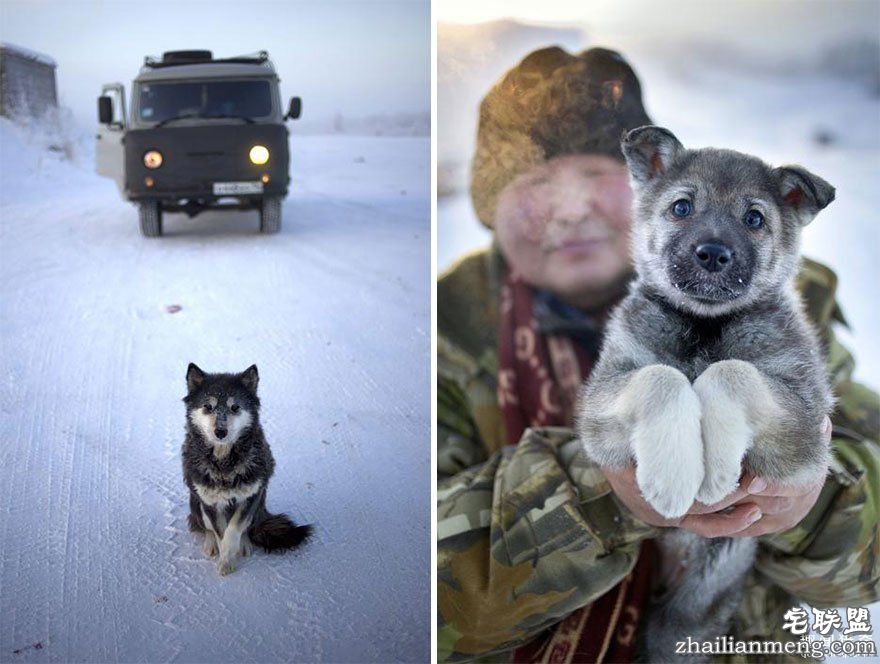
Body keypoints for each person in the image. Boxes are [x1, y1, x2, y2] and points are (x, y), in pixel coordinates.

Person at [437, 46, 879, 663]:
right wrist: (600, 491)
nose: (571, 210)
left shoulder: (795, 306)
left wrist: (808, 498)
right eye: (536, 181)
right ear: (491, 206)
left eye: (595, 175)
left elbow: (866, 571)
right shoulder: (443, 334)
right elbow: (428, 604)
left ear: (639, 180)